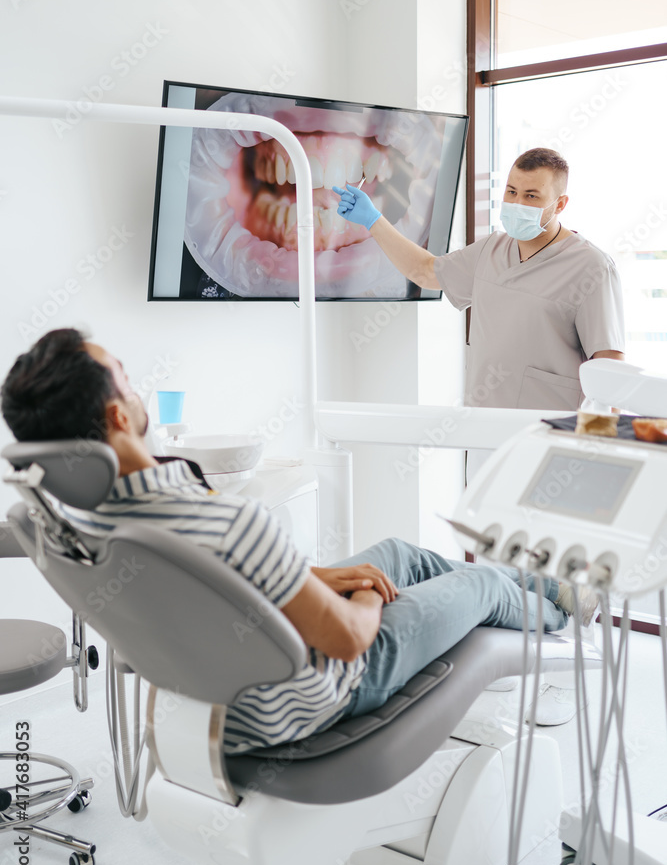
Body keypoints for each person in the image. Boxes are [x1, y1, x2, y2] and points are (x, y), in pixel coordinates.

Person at [1, 329, 577, 755]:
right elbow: (349, 640)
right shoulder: (229, 522)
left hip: (226, 695)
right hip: (319, 694)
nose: (135, 384)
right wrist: (368, 596)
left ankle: (549, 588)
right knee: (476, 580)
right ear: (118, 417)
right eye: (124, 374)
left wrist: (318, 580)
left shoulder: (73, 525)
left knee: (400, 552)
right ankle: (562, 616)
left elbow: (215, 587)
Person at [333, 147, 621, 724]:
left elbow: (608, 365)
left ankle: (567, 674)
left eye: (531, 196)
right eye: (511, 191)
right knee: (500, 565)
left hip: (552, 444)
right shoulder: (491, 251)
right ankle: (505, 663)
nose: (516, 204)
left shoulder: (590, 267)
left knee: (555, 573)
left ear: (560, 203)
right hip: (488, 435)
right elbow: (426, 271)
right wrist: (373, 221)